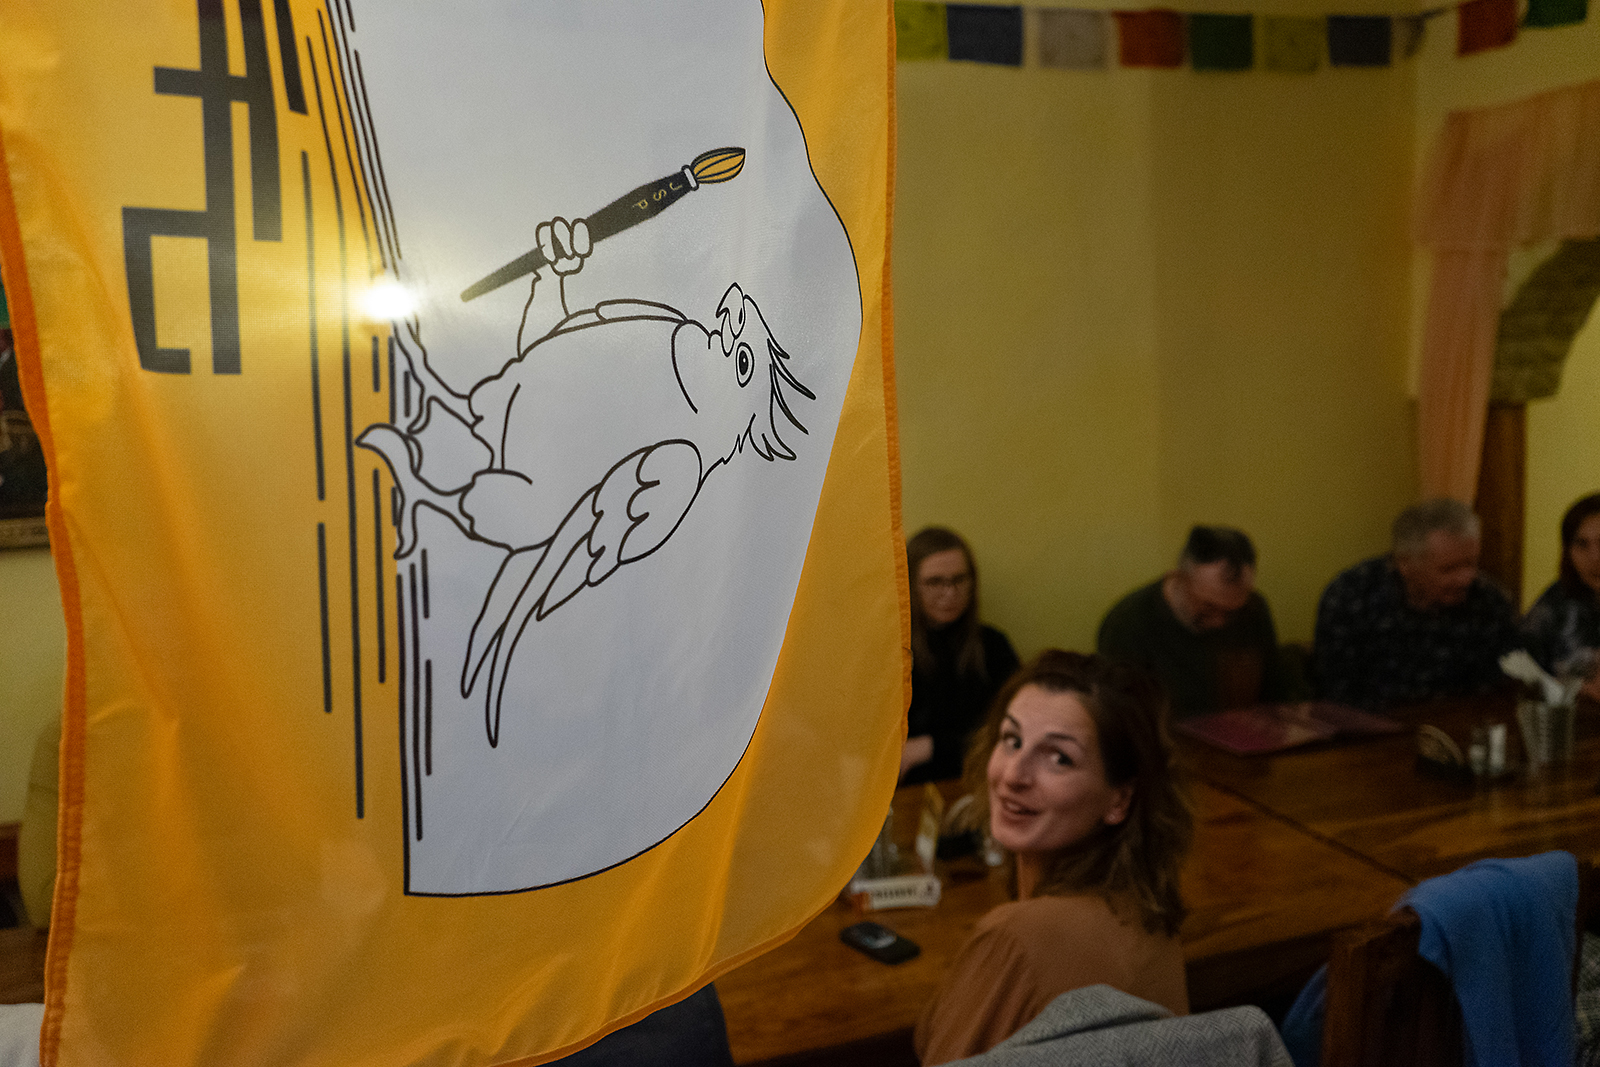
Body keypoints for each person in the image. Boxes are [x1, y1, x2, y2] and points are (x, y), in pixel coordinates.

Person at [914, 651, 1192, 1064]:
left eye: (1059, 758)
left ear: (1120, 799)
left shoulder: (1015, 939)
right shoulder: (1148, 911)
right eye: (1012, 740)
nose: (1013, 775)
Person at [1314, 499, 1518, 710]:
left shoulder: (1489, 600)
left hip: (1462, 720)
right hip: (1373, 724)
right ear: (1405, 563)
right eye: (1449, 569)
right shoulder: (1351, 596)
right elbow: (1339, 695)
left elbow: (1500, 688)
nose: (1466, 579)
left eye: (1471, 563)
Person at [1096, 526, 1288, 720]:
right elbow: (1123, 720)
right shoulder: (1128, 622)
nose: (1219, 622)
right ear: (1180, 577)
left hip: (1243, 734)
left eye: (1232, 611)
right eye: (1208, 606)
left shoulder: (1253, 609)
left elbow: (1275, 695)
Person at [902, 527, 1020, 784]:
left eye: (959, 580)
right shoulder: (893, 654)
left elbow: (1012, 730)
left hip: (980, 781)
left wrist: (929, 746)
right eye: (935, 582)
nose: (949, 593)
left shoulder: (993, 646)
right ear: (910, 585)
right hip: (909, 791)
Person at [1521, 492, 1600, 700]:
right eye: (1581, 544)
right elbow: (1520, 671)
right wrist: (1575, 688)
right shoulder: (1555, 603)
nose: (1594, 557)